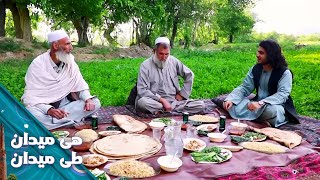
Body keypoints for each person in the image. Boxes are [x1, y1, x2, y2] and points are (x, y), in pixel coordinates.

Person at [22, 30, 101, 130]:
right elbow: (30, 98)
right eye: (67, 44)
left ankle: (56, 123)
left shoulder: (70, 62)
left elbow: (79, 85)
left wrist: (88, 99)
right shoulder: (38, 64)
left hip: (65, 107)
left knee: (95, 102)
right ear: (55, 46)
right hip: (44, 108)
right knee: (31, 113)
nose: (71, 48)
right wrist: (49, 110)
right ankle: (69, 121)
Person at [223, 40, 299, 127]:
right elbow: (245, 87)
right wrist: (231, 99)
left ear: (271, 55)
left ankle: (257, 118)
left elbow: (282, 94)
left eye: (261, 53)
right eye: (258, 52)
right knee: (229, 104)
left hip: (274, 105)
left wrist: (261, 103)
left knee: (272, 111)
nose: (257, 55)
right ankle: (261, 120)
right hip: (256, 104)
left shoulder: (285, 73)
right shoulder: (256, 68)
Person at [135, 37, 205, 114]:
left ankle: (164, 111)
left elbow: (189, 75)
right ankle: (166, 109)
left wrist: (182, 94)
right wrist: (162, 100)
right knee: (142, 103)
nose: (164, 57)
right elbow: (142, 90)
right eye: (161, 53)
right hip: (155, 101)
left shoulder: (173, 61)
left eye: (166, 54)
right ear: (154, 51)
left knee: (200, 105)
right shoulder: (145, 65)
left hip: (174, 102)